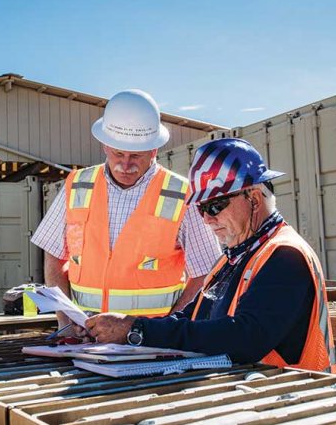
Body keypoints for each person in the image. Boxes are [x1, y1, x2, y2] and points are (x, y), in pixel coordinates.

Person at [85, 138, 336, 372]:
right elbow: (191, 318)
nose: (206, 219)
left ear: (254, 197)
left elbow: (246, 338)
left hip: (296, 402)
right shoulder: (236, 257)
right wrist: (128, 328)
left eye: (215, 205)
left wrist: (137, 330)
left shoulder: (285, 256)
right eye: (201, 208)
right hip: (256, 396)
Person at [31, 89, 221, 329]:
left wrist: (170, 328)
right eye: (118, 153)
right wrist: (66, 321)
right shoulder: (77, 185)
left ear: (154, 150)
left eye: (136, 156)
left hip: (149, 341)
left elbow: (206, 273)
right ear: (105, 145)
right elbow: (54, 255)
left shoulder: (182, 194)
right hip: (85, 338)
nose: (125, 165)